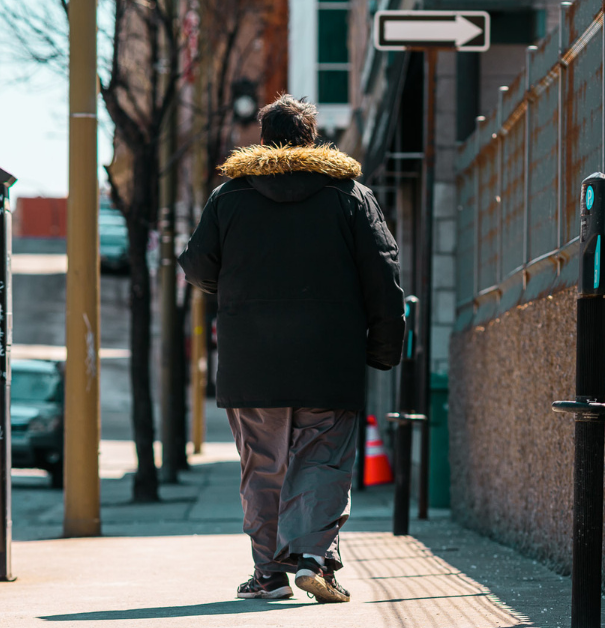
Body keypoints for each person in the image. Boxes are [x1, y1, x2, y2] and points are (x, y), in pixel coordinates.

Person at [179, 95, 405, 604]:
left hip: (251, 361)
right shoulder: (351, 196)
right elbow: (383, 275)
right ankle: (313, 559)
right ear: (312, 140)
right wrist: (384, 347)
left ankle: (269, 576)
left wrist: (236, 286)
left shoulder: (229, 197)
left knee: (262, 468)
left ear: (263, 141)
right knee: (323, 461)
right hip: (329, 359)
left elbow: (196, 266)